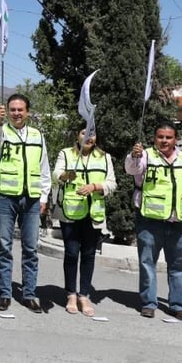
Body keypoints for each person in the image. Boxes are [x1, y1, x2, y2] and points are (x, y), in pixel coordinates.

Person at [125, 121, 182, 322]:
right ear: (154, 138)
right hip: (150, 221)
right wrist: (134, 156)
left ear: (176, 139)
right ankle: (148, 303)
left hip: (179, 223)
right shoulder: (145, 155)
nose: (164, 141)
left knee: (180, 265)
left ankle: (178, 306)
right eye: (160, 137)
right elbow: (132, 169)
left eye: (168, 137)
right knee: (148, 263)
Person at [0, 94, 51, 313]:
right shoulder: (1, 131)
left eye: (20, 109)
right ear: (7, 111)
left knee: (31, 248)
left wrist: (44, 197)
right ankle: (5, 293)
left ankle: (29, 294)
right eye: (12, 109)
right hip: (7, 197)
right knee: (5, 246)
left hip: (32, 198)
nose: (16, 113)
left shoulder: (37, 135)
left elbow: (44, 167)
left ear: (27, 112)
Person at [52, 129, 117, 316]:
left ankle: (84, 295)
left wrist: (96, 187)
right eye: (84, 132)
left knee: (89, 254)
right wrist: (65, 175)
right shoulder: (66, 153)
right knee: (71, 253)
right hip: (70, 211)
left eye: (92, 133)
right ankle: (71, 294)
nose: (88, 137)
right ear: (76, 136)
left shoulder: (105, 157)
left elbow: (112, 183)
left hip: (93, 213)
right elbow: (56, 174)